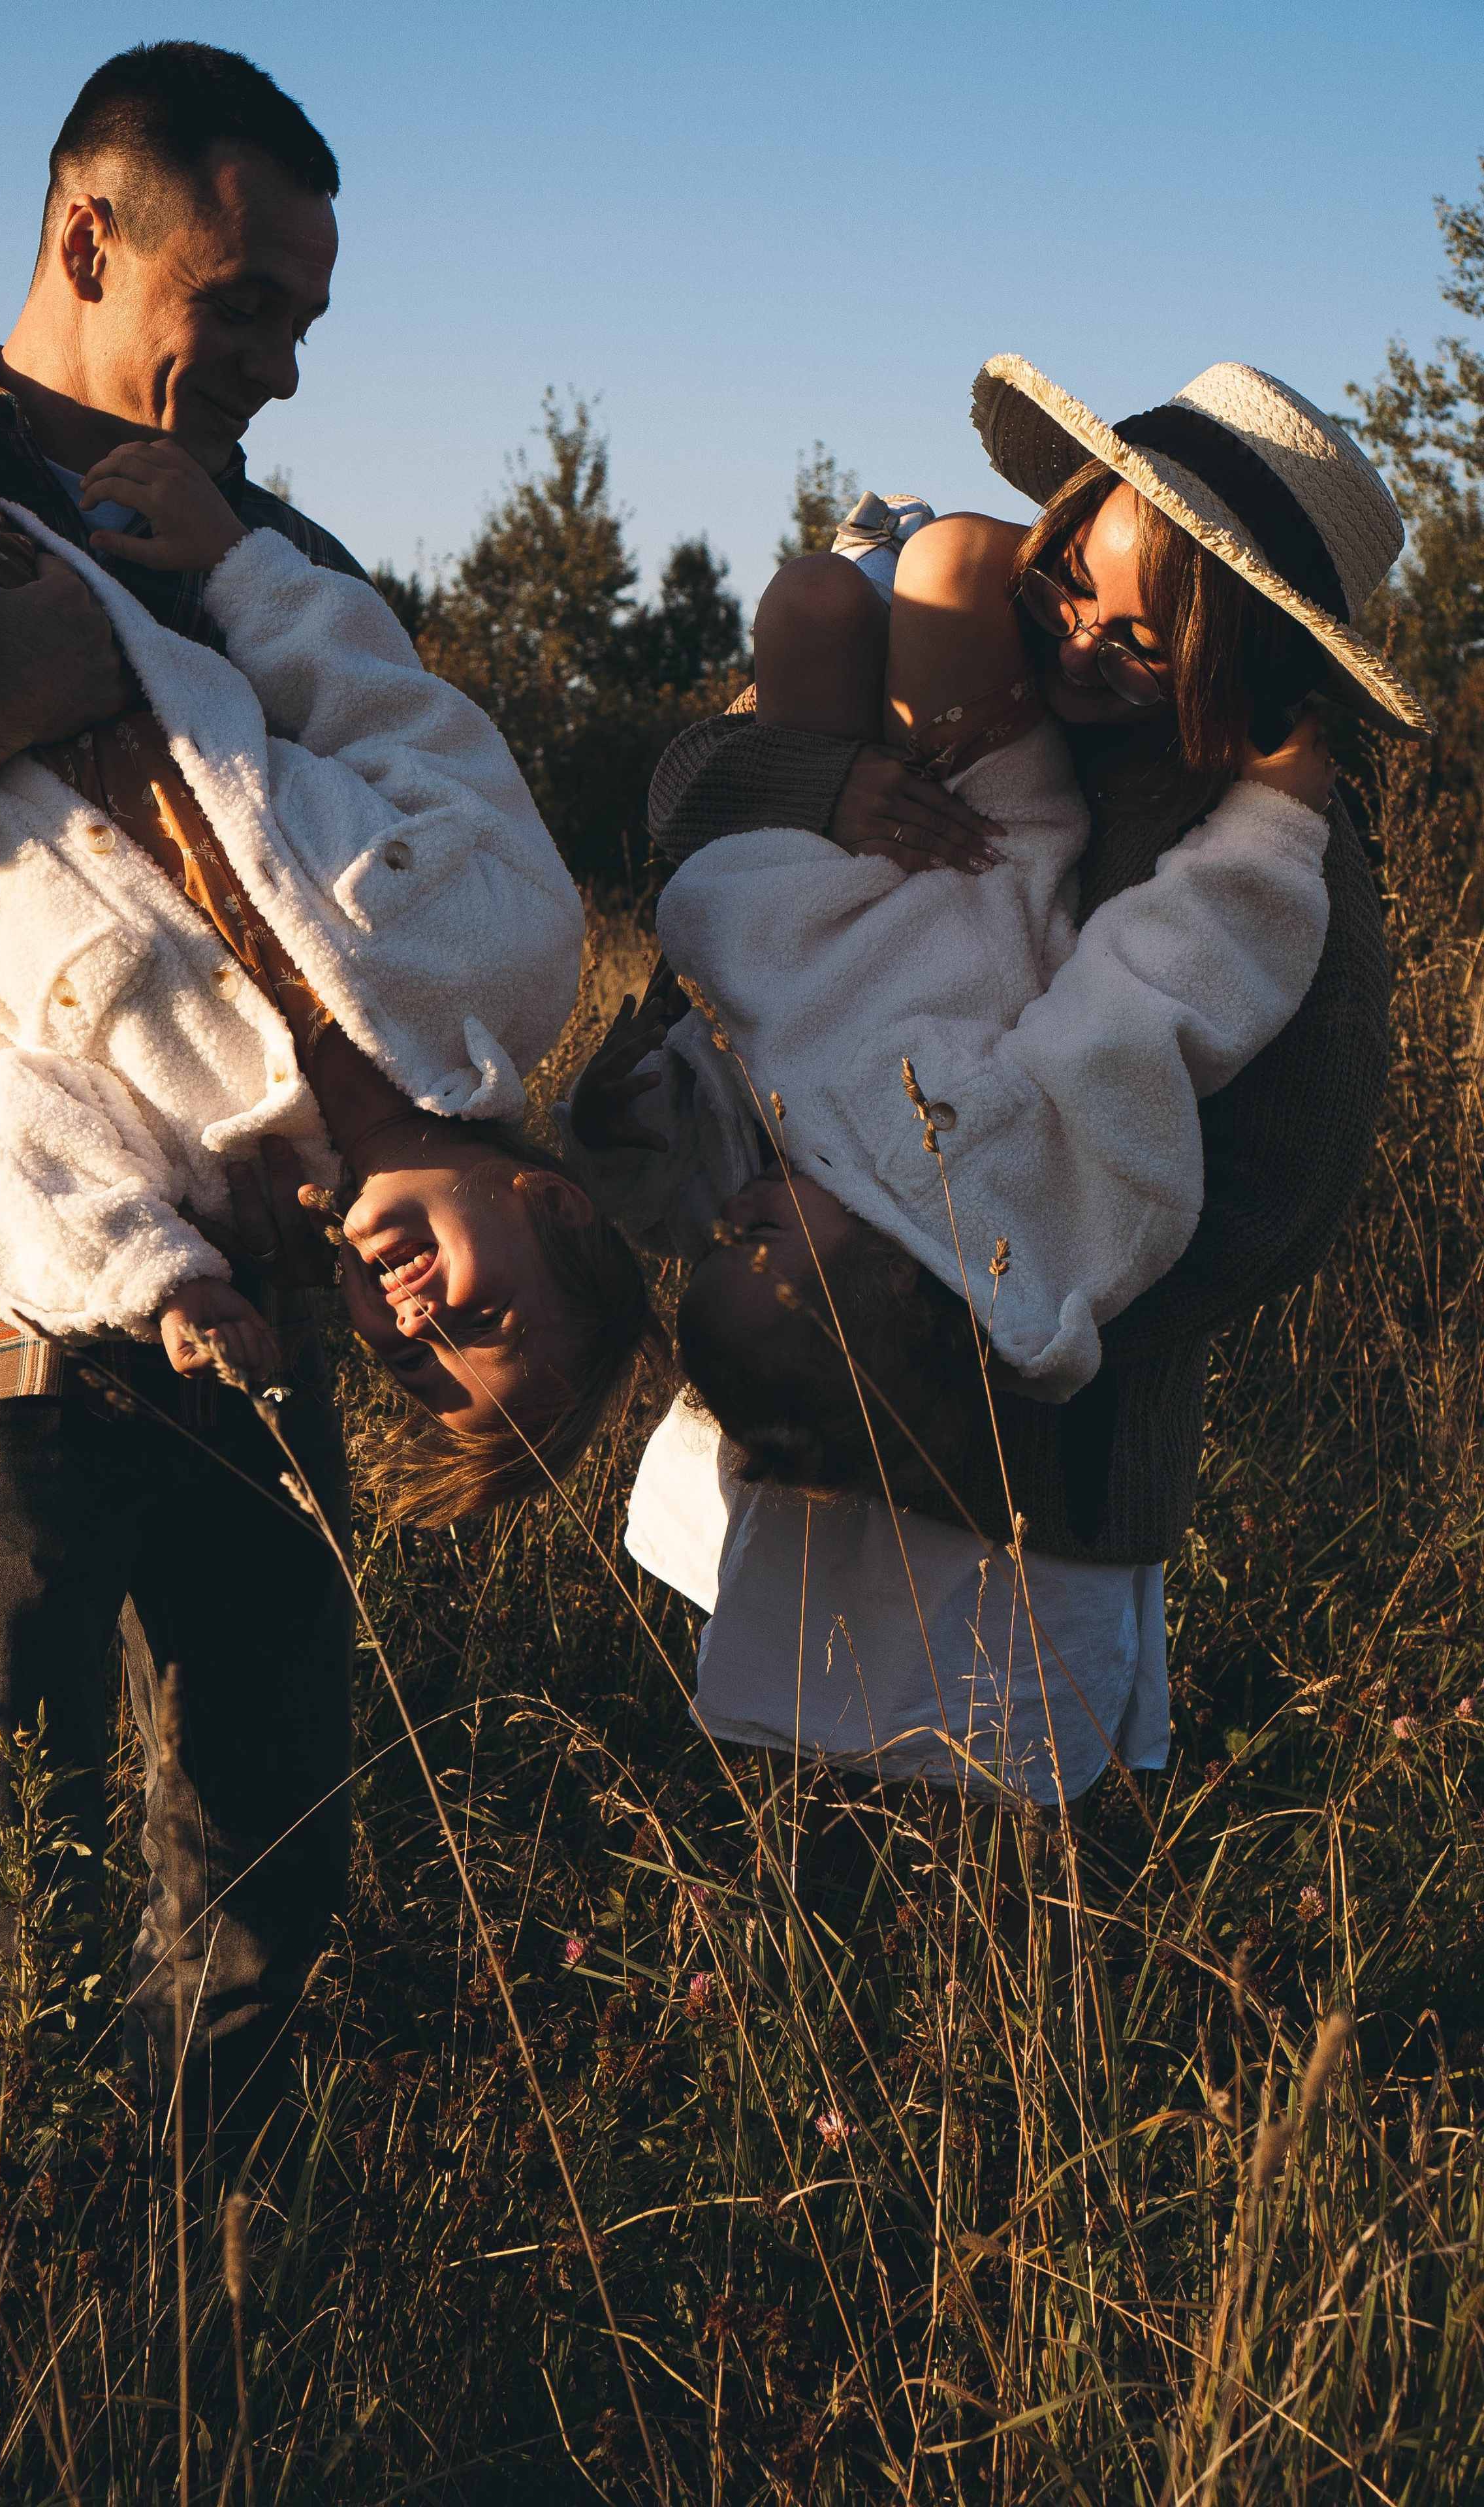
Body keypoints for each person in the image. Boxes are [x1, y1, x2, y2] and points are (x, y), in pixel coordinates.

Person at [0, 41, 595, 2127]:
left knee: (264, 1841)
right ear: (91, 232)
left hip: (281, 1291)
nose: (278, 364)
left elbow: (414, 780)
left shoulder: (281, 537)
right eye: (238, 304)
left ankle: (214, 2301)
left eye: (303, 321)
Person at [576, 356, 1419, 1814]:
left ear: (1239, 664)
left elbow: (1287, 1185)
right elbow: (686, 785)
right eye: (1072, 581)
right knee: (776, 1771)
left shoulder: (1271, 845)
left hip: (1041, 1433)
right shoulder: (965, 655)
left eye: (1142, 641)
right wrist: (822, 790)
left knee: (992, 1804)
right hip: (794, 1346)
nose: (1082, 641)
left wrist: (972, 1280)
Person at [0, 402, 650, 1506]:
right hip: (20, 614)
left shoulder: (199, 1183)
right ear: (559, 1206)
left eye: (407, 1359)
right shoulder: (515, 960)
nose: (417, 1316)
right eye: (480, 1323)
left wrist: (156, 1281)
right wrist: (244, 569)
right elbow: (398, 720)